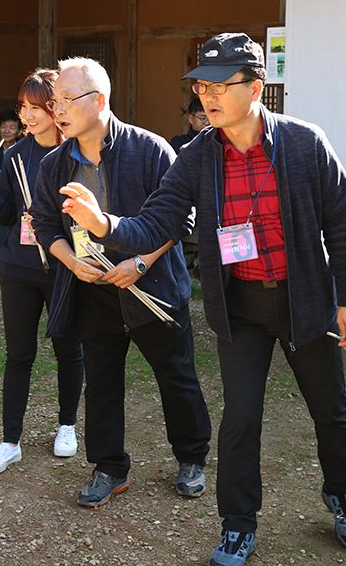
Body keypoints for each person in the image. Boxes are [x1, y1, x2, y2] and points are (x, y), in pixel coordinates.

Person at [60, 33, 346, 564]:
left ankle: (344, 497)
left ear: (256, 87)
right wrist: (104, 223)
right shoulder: (197, 155)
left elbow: (340, 225)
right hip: (242, 307)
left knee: (330, 409)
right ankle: (238, 524)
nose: (208, 96)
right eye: (202, 85)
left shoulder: (304, 143)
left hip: (306, 300)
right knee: (241, 416)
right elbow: (158, 219)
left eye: (221, 85)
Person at [29, 56, 212, 509]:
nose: (60, 112)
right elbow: (45, 225)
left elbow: (180, 219)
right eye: (57, 102)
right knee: (103, 381)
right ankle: (109, 466)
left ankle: (191, 457)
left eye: (68, 100)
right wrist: (70, 261)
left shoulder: (150, 150)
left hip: (152, 286)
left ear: (100, 100)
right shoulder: (55, 165)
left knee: (177, 375)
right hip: (93, 288)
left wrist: (142, 264)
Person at [0, 70, 84, 474]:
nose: (28, 116)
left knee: (68, 349)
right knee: (19, 354)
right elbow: (5, 214)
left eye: (37, 108)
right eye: (24, 107)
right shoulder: (14, 155)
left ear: (57, 108)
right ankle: (9, 441)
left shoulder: (75, 151)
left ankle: (67, 425)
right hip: (18, 267)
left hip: (63, 266)